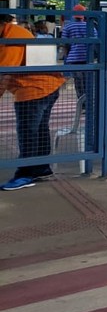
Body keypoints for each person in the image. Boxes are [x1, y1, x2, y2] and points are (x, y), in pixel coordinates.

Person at [0, 13, 66, 191]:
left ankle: (25, 174)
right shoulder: (16, 32)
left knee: (28, 131)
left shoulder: (11, 36)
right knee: (39, 129)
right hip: (49, 86)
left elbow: (5, 72)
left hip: (33, 89)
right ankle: (41, 167)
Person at [60, 5, 96, 109]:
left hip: (74, 59)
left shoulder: (68, 27)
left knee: (79, 83)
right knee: (88, 82)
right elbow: (95, 41)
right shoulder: (90, 27)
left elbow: (64, 43)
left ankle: (83, 105)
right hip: (88, 58)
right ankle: (90, 104)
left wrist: (67, 57)